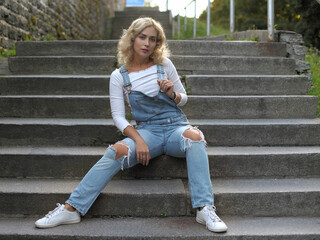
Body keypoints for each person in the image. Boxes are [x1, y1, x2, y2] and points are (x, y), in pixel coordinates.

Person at [35, 17, 228, 233]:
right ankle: (72, 209)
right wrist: (138, 140)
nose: (147, 43)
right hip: (147, 131)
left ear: (157, 43)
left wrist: (172, 93)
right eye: (142, 37)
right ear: (132, 39)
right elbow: (118, 117)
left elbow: (184, 99)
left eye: (152, 39)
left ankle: (204, 208)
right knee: (116, 151)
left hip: (176, 126)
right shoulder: (118, 76)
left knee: (196, 138)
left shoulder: (164, 65)